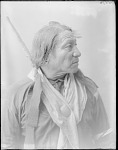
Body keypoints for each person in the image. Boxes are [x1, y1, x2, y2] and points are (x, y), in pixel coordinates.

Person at [1, 21, 113, 149]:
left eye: (75, 45)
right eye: (68, 46)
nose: (77, 52)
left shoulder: (89, 89)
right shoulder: (17, 94)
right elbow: (7, 145)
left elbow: (105, 141)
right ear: (46, 54)